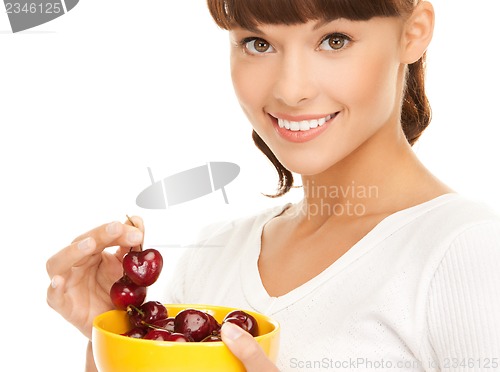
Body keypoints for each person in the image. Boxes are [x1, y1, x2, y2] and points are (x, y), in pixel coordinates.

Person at [46, 0, 500, 371]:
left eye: (333, 40)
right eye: (257, 43)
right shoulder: (213, 260)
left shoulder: (466, 252)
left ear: (413, 33)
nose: (291, 90)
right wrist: (116, 341)